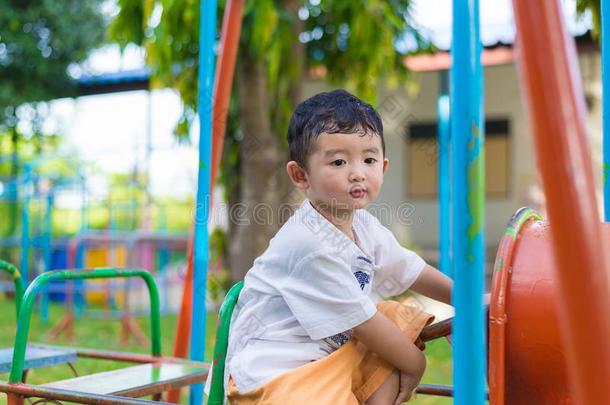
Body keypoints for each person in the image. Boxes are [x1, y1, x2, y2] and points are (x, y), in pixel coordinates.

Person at [223, 89, 453, 404]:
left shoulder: (364, 225)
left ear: (382, 169)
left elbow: (411, 269)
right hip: (275, 375)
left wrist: (466, 302)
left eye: (368, 159)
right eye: (339, 162)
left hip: (324, 357)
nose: (357, 173)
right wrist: (416, 364)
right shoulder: (308, 243)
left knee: (398, 322)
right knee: (389, 339)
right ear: (300, 175)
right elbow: (365, 323)